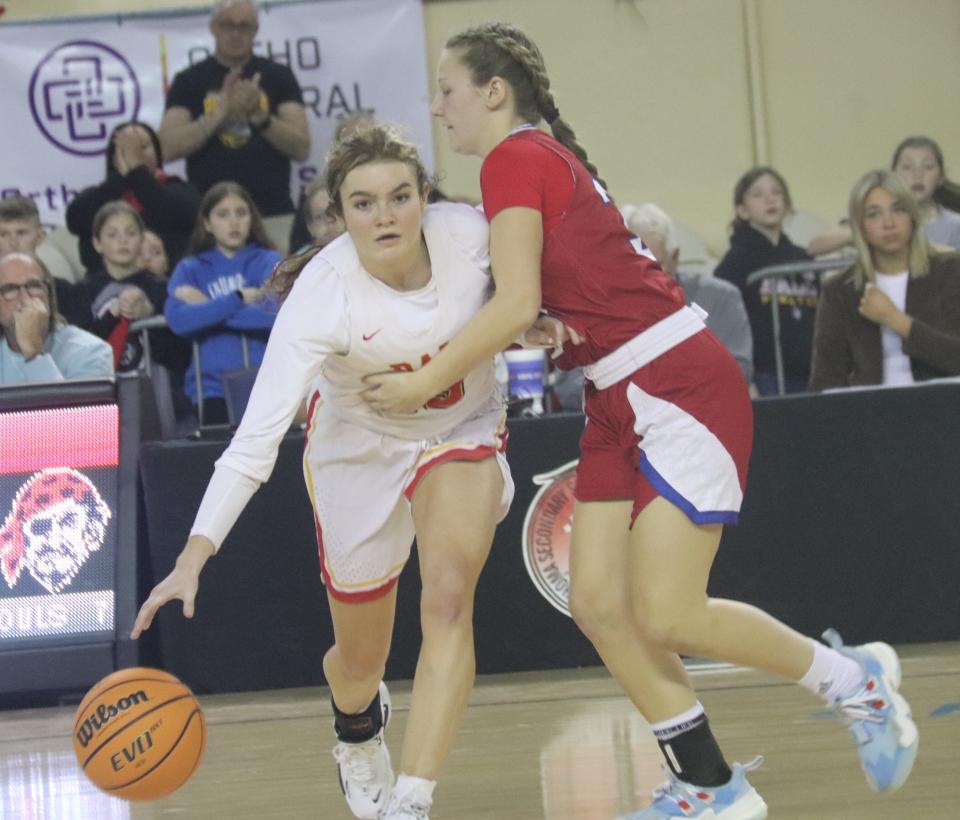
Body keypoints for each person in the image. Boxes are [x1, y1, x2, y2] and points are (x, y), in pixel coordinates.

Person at [361, 23, 919, 819]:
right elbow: (548, 300)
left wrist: (424, 382)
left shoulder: (515, 158)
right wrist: (550, 329)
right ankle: (709, 784)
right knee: (596, 603)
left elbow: (517, 300)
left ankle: (852, 680)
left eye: (446, 88)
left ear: (492, 92)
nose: (436, 105)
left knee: (668, 612)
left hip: (676, 383)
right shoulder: (528, 161)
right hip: (615, 394)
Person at [131, 125, 515, 820]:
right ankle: (357, 729)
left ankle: (413, 800)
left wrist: (542, 319)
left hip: (459, 429)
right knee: (356, 662)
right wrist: (193, 555)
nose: (386, 215)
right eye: (364, 203)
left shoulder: (470, 234)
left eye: (401, 196)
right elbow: (255, 440)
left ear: (425, 197)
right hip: (358, 447)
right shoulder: (322, 293)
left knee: (449, 600)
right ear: (339, 215)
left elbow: (538, 286)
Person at [552, 203, 755, 410]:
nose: (642, 280)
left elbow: (737, 373)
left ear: (674, 259)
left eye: (653, 267)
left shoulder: (719, 298)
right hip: (622, 430)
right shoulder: (590, 309)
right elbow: (569, 388)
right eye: (630, 267)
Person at [158, 0, 310, 252]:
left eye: (245, 26)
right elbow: (166, 147)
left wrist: (260, 116)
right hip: (210, 222)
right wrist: (218, 115)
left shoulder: (278, 76)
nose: (236, 33)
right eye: (228, 25)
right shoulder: (189, 81)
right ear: (213, 27)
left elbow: (301, 147)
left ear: (256, 30)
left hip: (273, 214)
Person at [809, 169, 960, 391]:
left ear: (912, 216)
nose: (889, 223)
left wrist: (896, 320)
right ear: (860, 226)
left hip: (943, 406)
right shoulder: (840, 290)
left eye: (898, 210)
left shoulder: (950, 271)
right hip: (871, 414)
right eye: (874, 214)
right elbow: (825, 381)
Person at [164, 182, 281, 425]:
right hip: (209, 388)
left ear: (252, 219)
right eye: (223, 214)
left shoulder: (269, 261)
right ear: (207, 223)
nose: (233, 222)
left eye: (241, 213)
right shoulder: (190, 268)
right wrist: (236, 300)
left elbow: (274, 314)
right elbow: (177, 320)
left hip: (264, 382)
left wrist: (207, 307)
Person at [713, 167, 817, 395]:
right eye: (757, 194)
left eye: (777, 192)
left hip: (809, 372)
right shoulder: (735, 263)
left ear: (787, 204)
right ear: (742, 210)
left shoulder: (803, 258)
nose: (770, 199)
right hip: (764, 376)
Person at [66, 202, 187, 376]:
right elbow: (78, 347)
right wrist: (112, 315)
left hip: (156, 387)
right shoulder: (83, 291)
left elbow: (178, 348)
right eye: (112, 235)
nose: (123, 241)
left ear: (141, 239)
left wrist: (149, 313)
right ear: (97, 243)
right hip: (104, 388)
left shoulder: (162, 287)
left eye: (130, 233)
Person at [65, 121, 200, 273]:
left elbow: (175, 211)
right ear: (113, 157)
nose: (136, 154)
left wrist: (136, 170)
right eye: (127, 150)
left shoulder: (177, 188)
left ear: (157, 152)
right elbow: (75, 220)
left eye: (142, 147)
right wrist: (121, 179)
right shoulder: (102, 194)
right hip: (106, 288)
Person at [808, 135, 960, 255]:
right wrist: (867, 232)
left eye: (928, 167)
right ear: (893, 174)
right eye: (907, 167)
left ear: (941, 176)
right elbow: (814, 247)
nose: (917, 175)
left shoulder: (955, 224)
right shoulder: (874, 215)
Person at [0, 252, 113, 384]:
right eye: (10, 290)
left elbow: (67, 405)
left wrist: (33, 352)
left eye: (34, 286)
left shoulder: (91, 351)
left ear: (50, 295)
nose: (25, 299)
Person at [287, 174, 345, 255]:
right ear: (310, 227)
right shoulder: (301, 263)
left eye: (335, 213)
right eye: (319, 218)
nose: (329, 224)